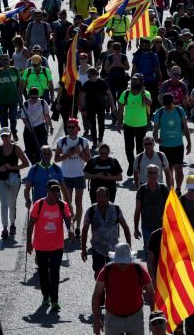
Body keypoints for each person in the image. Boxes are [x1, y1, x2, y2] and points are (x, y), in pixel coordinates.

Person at [26, 179, 73, 312]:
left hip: (57, 246)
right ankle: (45, 296)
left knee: (55, 273)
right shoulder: (39, 204)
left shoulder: (62, 205)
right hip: (40, 246)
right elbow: (31, 224)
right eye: (53, 190)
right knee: (43, 273)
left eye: (57, 190)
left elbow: (69, 221)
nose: (55, 193)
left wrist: (70, 229)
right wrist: (29, 243)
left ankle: (55, 301)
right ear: (47, 190)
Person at [91, 242, 154, 335]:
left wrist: (153, 316)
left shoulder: (139, 269)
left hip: (135, 318)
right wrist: (96, 320)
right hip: (113, 318)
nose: (122, 265)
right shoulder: (107, 270)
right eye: (120, 263)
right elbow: (96, 295)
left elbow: (151, 293)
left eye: (125, 263)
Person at [81, 186, 132, 277]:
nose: (100, 199)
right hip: (97, 248)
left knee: (113, 275)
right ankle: (100, 290)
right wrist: (84, 250)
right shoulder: (91, 210)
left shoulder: (116, 209)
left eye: (103, 196)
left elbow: (126, 227)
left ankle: (110, 291)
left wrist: (129, 248)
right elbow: (84, 231)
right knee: (98, 274)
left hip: (113, 248)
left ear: (108, 197)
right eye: (98, 197)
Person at [55, 117, 91, 238]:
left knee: (78, 201)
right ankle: (70, 223)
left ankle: (77, 227)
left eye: (72, 127)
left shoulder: (83, 142)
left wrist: (79, 152)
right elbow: (56, 159)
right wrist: (69, 154)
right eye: (68, 127)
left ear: (77, 128)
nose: (70, 129)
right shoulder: (62, 141)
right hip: (66, 175)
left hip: (79, 175)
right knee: (67, 202)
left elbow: (89, 160)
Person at [0, 128, 27, 240]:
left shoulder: (16, 148)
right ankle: (5, 227)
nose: (5, 138)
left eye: (7, 136)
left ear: (10, 136)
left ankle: (12, 224)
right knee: (4, 203)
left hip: (14, 178)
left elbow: (26, 163)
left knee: (12, 202)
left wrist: (12, 168)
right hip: (1, 178)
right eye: (3, 136)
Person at [152, 93, 192, 192]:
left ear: (172, 101)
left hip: (178, 145)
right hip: (165, 146)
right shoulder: (159, 112)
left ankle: (178, 188)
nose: (167, 107)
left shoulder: (179, 110)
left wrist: (189, 143)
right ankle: (172, 190)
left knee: (179, 169)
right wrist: (156, 138)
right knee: (168, 171)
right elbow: (155, 128)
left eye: (168, 105)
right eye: (165, 105)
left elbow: (185, 128)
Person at [118, 73, 153, 177]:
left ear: (141, 82)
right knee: (128, 148)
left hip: (141, 125)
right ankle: (131, 164)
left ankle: (138, 166)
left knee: (139, 148)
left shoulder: (146, 93)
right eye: (133, 80)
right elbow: (120, 108)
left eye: (136, 80)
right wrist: (119, 122)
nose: (134, 82)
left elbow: (149, 104)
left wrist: (142, 94)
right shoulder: (126, 93)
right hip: (128, 125)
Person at [134, 164, 170, 249]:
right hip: (147, 226)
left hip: (161, 226)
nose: (152, 175)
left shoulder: (163, 188)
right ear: (146, 174)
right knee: (149, 250)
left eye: (154, 173)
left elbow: (169, 208)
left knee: (161, 250)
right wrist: (136, 228)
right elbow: (137, 210)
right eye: (150, 172)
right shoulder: (141, 190)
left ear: (158, 175)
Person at [20, 87, 52, 164]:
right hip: (29, 129)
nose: (34, 99)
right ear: (29, 96)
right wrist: (30, 128)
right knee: (28, 150)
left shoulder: (42, 103)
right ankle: (34, 164)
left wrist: (51, 126)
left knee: (41, 149)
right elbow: (24, 118)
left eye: (36, 97)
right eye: (32, 97)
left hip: (40, 128)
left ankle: (41, 164)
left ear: (38, 96)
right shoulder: (26, 104)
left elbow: (46, 115)